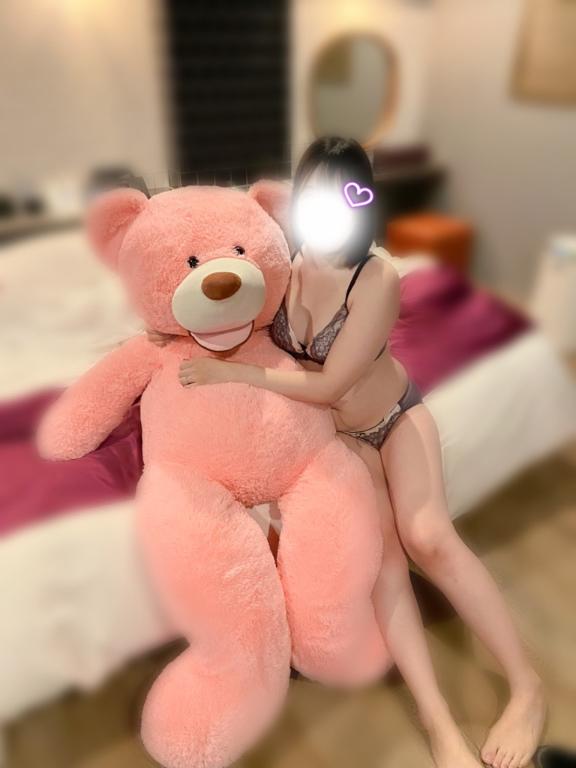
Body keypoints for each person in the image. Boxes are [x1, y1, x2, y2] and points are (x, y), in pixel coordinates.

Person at [152, 137, 545, 768]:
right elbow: (235, 306)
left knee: (429, 538)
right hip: (338, 439)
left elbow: (332, 384)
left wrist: (237, 376)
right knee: (385, 564)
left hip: (394, 418)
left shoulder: (377, 276)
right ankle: (440, 724)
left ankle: (527, 689)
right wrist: (174, 331)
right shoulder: (285, 263)